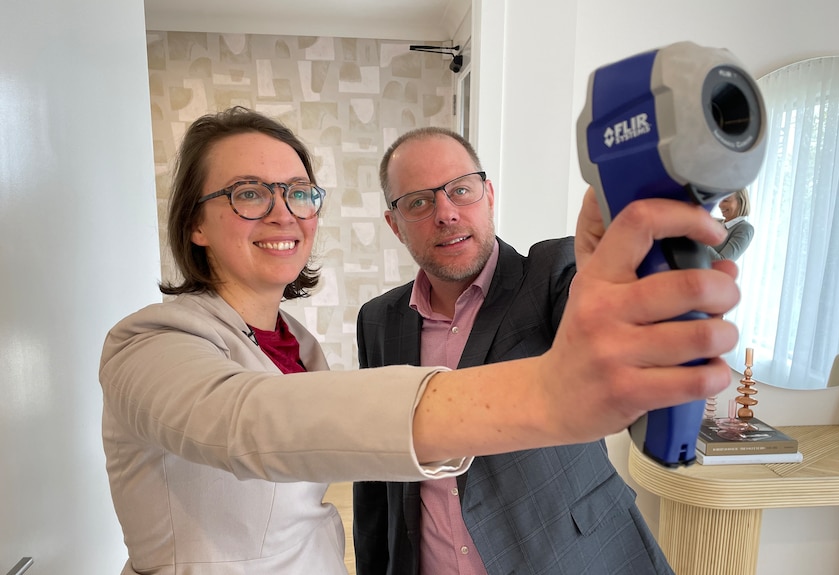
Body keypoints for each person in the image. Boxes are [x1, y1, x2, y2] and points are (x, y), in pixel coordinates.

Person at [99, 106, 740, 574]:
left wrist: (646, 295)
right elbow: (254, 424)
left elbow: (588, 308)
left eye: (298, 193)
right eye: (248, 193)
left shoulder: (550, 271)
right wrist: (547, 394)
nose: (282, 211)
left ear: (488, 195)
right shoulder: (150, 344)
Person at [352, 127, 674, 575]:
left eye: (460, 190)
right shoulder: (378, 320)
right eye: (419, 202)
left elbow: (598, 315)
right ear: (395, 224)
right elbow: (374, 471)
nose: (445, 213)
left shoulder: (549, 274)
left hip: (573, 558)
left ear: (487, 195)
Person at [708, 187, 754, 261]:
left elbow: (722, 263)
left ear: (740, 202)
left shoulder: (745, 229)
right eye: (720, 200)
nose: (719, 205)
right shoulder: (714, 221)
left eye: (725, 200)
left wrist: (699, 240)